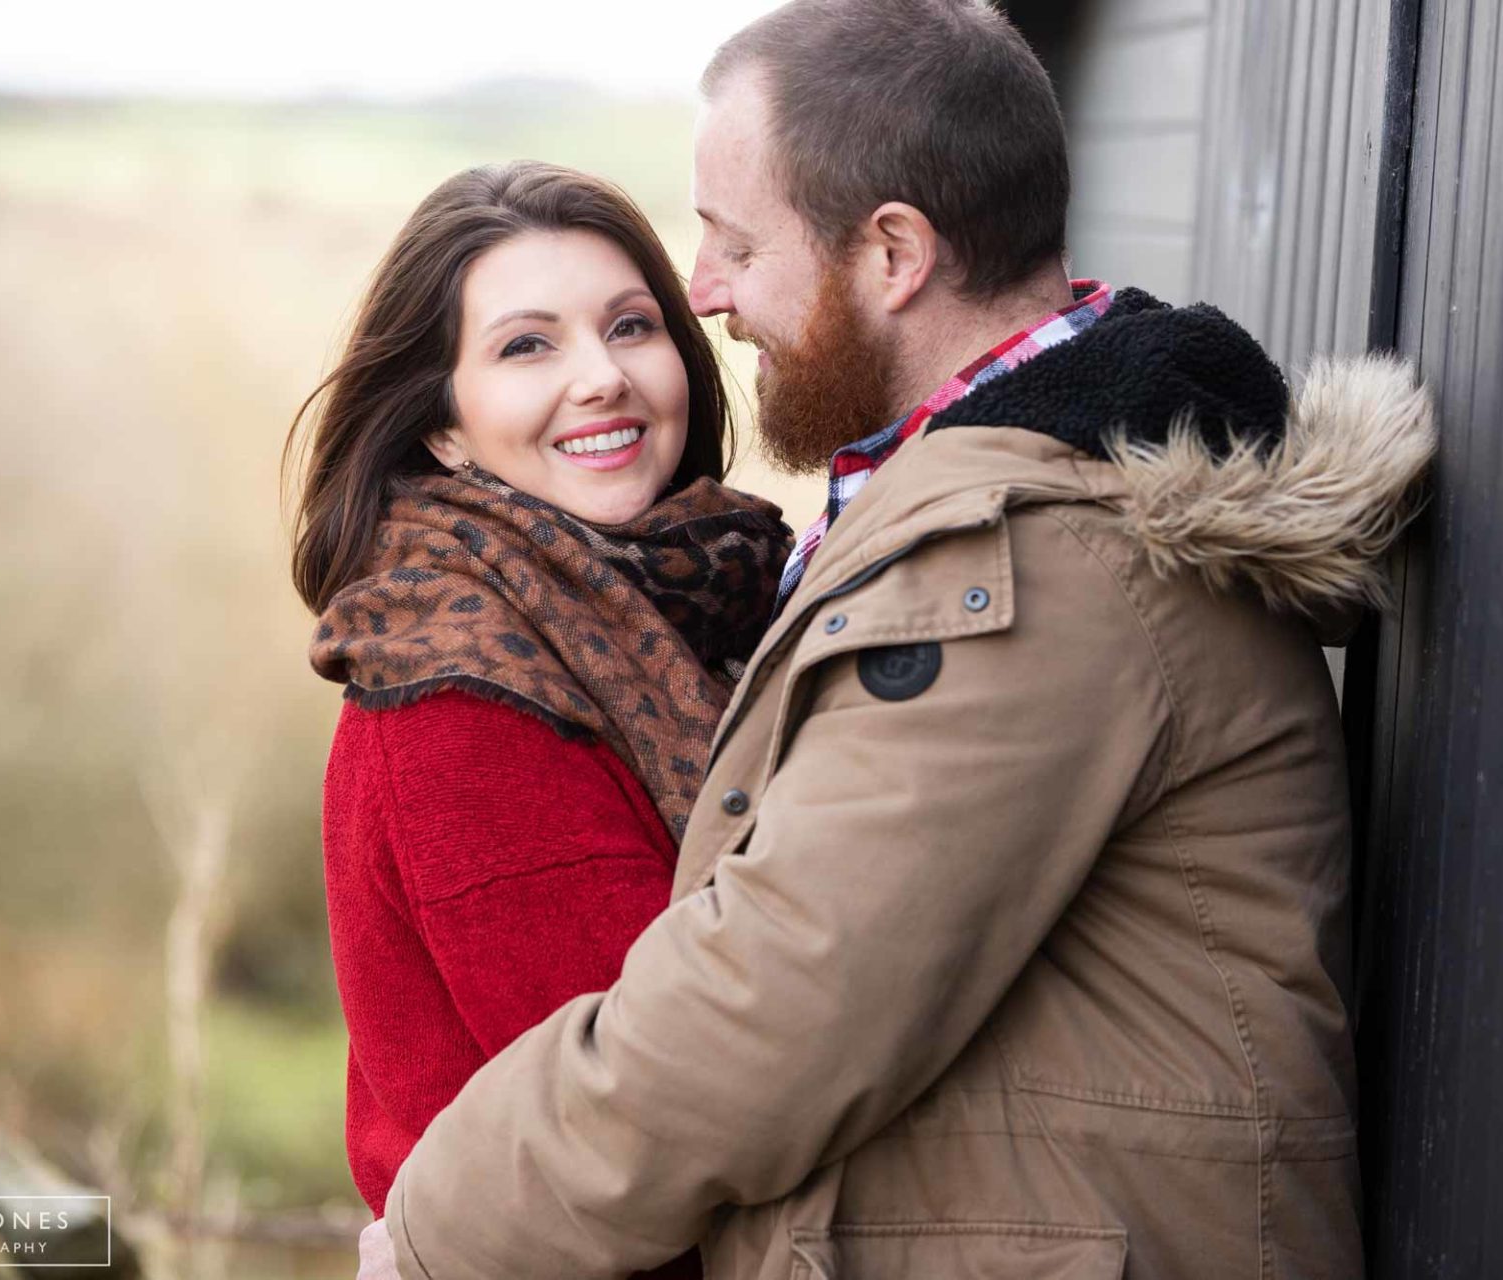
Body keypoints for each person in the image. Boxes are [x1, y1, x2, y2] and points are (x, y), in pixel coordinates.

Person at [376, 3, 1438, 1278]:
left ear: (891, 255)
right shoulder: (984, 501)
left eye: (735, 243)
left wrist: (434, 1237)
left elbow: (776, 999)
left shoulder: (1037, 564)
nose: (704, 291)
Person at [284, 161, 790, 1280]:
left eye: (630, 325)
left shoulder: (708, 608)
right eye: (527, 346)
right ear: (445, 430)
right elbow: (660, 1104)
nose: (602, 377)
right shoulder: (461, 690)